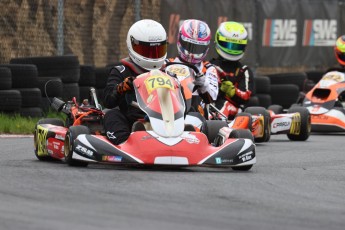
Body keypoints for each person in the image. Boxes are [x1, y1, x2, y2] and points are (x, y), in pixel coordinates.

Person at [103, 19, 167, 145]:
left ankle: (186, 138)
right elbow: (108, 100)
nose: (153, 55)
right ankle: (127, 143)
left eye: (157, 50)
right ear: (132, 45)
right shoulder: (121, 72)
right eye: (147, 51)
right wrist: (121, 88)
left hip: (165, 120)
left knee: (194, 114)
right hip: (131, 121)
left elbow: (181, 104)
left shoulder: (167, 73)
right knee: (111, 115)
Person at [165, 19, 219, 115]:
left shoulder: (208, 69)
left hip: (197, 114)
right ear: (180, 41)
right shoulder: (166, 64)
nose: (191, 52)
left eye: (197, 48)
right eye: (189, 45)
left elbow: (212, 98)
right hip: (168, 109)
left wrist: (203, 85)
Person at [210, 21, 254, 120]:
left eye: (236, 46)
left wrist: (231, 90)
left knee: (224, 104)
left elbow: (246, 97)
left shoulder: (243, 70)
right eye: (228, 45)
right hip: (209, 105)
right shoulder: (209, 66)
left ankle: (216, 123)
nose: (232, 50)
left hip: (234, 110)